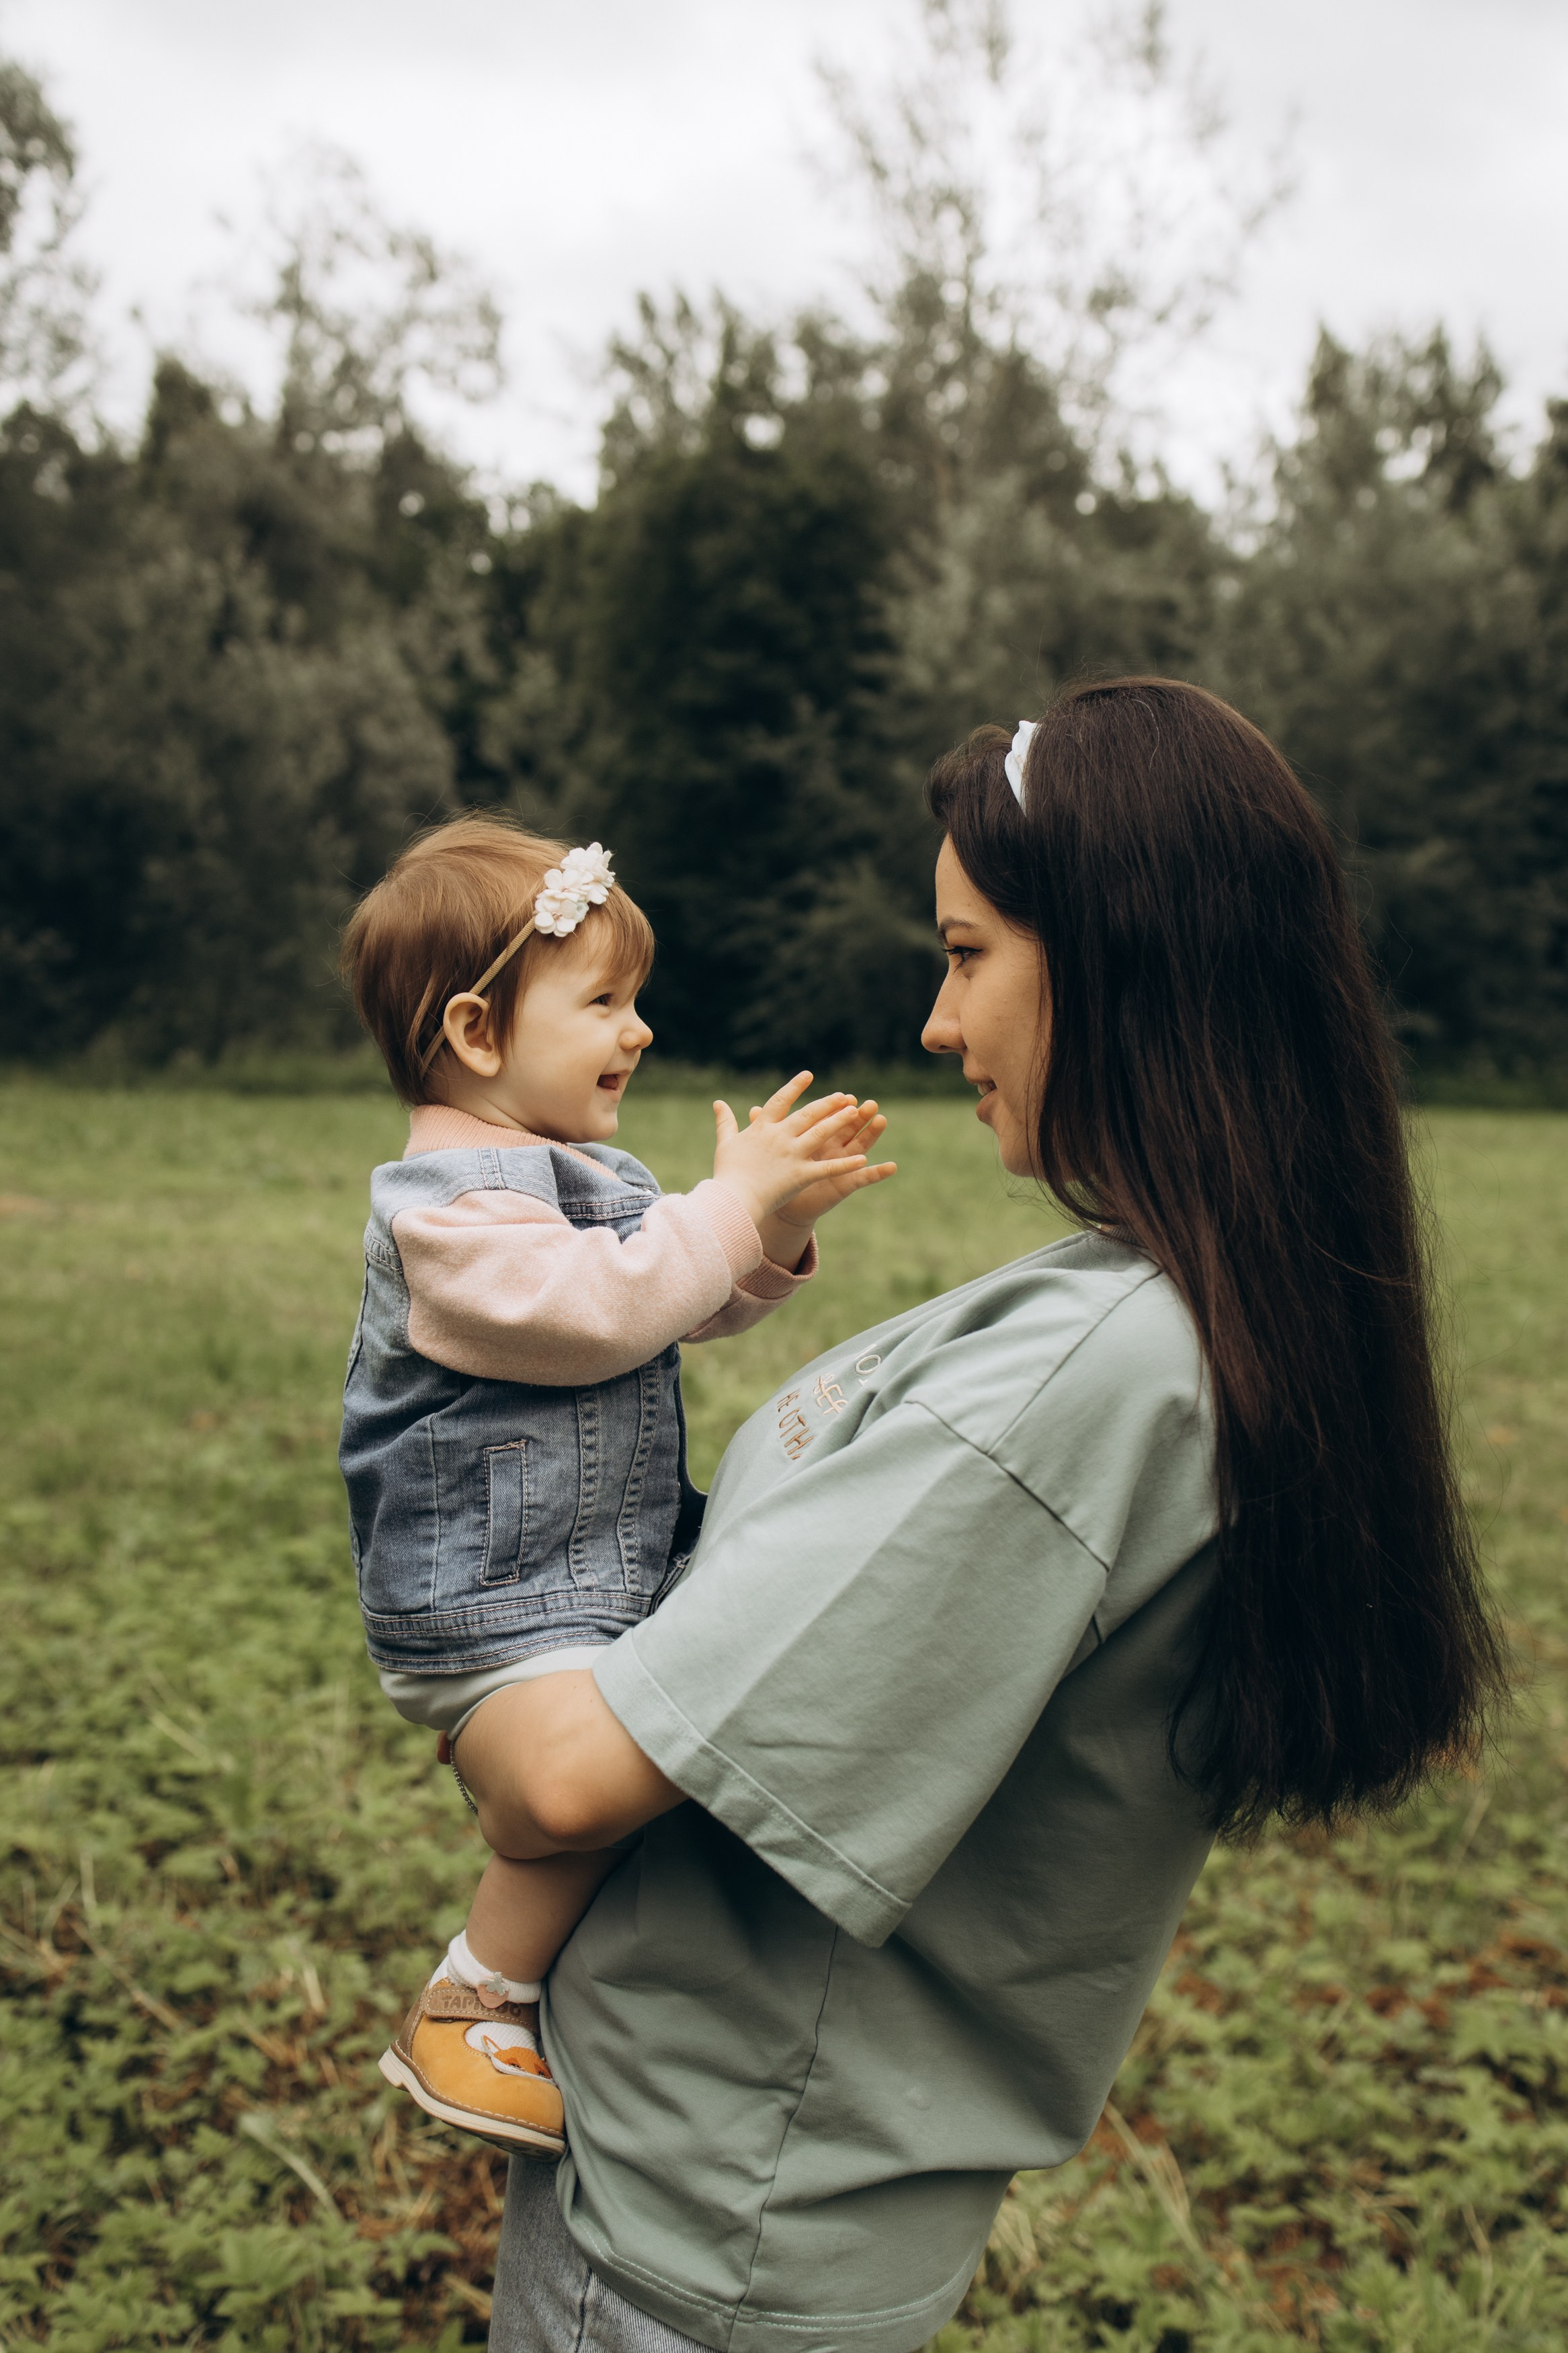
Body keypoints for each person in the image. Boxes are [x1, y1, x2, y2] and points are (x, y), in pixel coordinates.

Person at [472, 678, 1505, 2353]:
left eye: (967, 955)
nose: (939, 1024)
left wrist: (444, 1600)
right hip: (787, 2207)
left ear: (1124, 962)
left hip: (697, 2231)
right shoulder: (1180, 1319)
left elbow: (562, 1779)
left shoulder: (1088, 1378)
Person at [337, 815, 893, 2153]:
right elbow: (603, 1309)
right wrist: (722, 1211)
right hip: (492, 1608)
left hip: (586, 1588)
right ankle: (475, 1999)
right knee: (598, 1785)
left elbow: (680, 1303)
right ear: (477, 1033)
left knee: (661, 1746)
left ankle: (531, 1991)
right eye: (602, 1002)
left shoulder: (594, 1177)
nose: (638, 1031)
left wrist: (768, 1228)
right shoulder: (446, 1215)